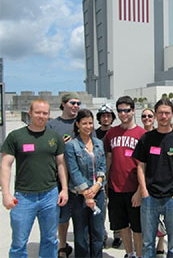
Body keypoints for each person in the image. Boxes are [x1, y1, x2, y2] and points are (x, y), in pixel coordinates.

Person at [1, 99, 68, 257]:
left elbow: (61, 164)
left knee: (50, 239)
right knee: (19, 242)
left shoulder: (54, 137)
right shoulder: (16, 136)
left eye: (45, 113)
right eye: (38, 112)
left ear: (49, 115)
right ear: (30, 113)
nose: (41, 116)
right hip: (23, 198)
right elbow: (5, 165)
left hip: (50, 196)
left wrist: (64, 189)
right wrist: (5, 194)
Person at [134, 98, 173, 258]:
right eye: (160, 113)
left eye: (167, 113)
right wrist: (144, 192)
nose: (163, 116)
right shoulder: (147, 139)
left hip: (172, 199)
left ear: (172, 114)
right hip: (150, 198)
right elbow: (140, 166)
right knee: (147, 243)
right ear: (156, 115)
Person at [104, 96, 146, 258]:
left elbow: (145, 166)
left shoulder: (142, 134)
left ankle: (140, 254)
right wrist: (107, 184)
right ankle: (130, 253)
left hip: (134, 188)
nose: (123, 114)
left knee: (137, 227)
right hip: (115, 187)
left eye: (127, 110)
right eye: (120, 111)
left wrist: (139, 191)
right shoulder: (111, 133)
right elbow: (109, 159)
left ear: (133, 111)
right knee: (122, 226)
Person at [65, 109, 106, 257]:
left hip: (98, 193)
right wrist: (86, 193)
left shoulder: (99, 143)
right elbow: (74, 171)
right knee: (81, 234)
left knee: (98, 232)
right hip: (79, 196)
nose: (88, 126)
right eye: (84, 123)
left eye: (90, 123)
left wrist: (97, 185)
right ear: (77, 124)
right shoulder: (72, 146)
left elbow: (102, 167)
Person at [47, 92, 81, 258]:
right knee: (63, 214)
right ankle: (62, 245)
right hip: (59, 178)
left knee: (81, 214)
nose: (75, 106)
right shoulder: (52, 125)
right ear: (63, 104)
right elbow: (46, 149)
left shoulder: (82, 123)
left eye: (78, 103)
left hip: (79, 177)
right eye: (72, 103)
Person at [95, 104, 122, 249]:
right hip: (98, 177)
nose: (106, 118)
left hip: (114, 176)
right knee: (100, 207)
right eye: (103, 116)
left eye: (109, 116)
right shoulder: (93, 134)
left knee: (115, 207)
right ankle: (101, 235)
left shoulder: (116, 133)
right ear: (99, 118)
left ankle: (118, 235)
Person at [140, 108, 166, 257]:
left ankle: (160, 244)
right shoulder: (140, 134)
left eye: (150, 116)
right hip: (144, 183)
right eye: (144, 116)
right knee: (146, 222)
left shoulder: (158, 135)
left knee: (160, 220)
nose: (147, 118)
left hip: (158, 183)